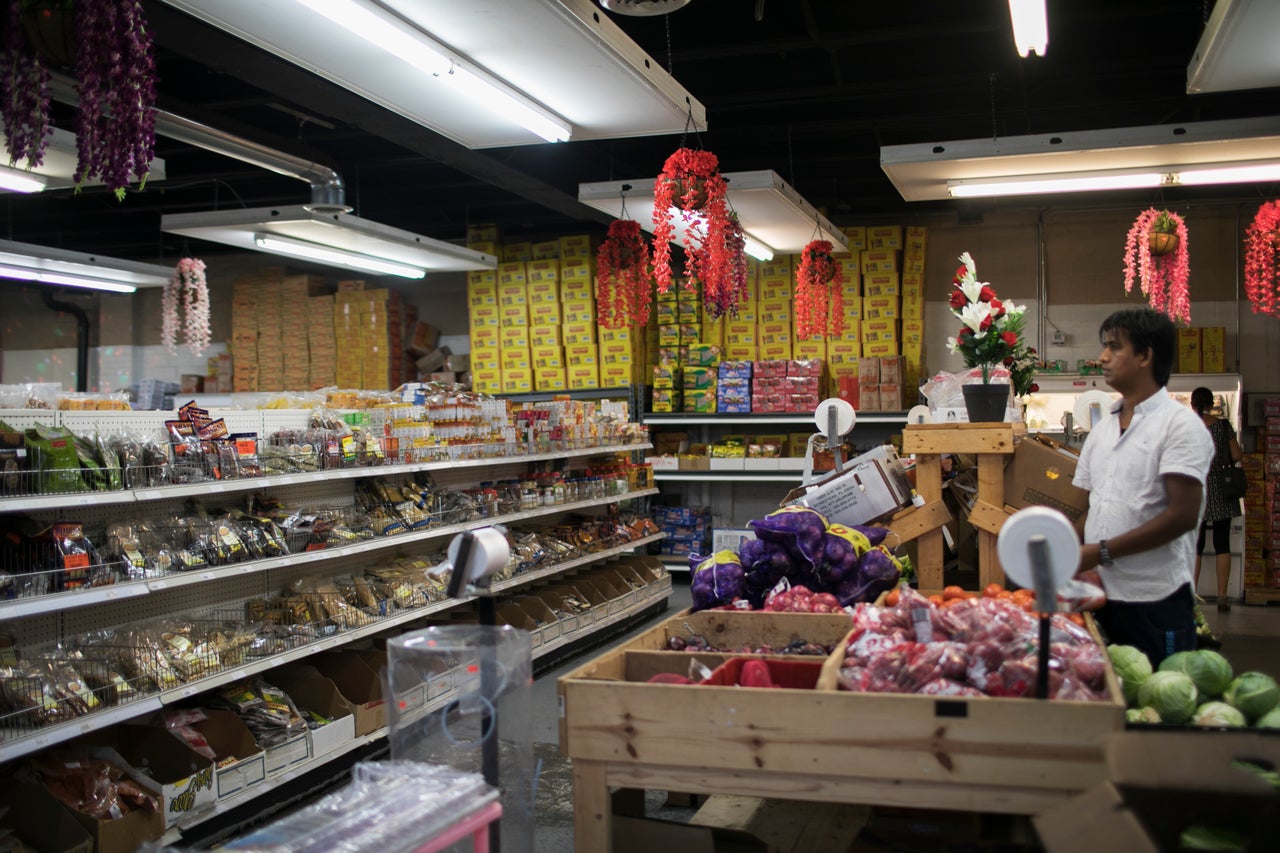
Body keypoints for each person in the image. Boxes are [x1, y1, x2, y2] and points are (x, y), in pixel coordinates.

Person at [1073, 308, 1212, 666]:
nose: (1102, 357)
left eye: (1114, 347)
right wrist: (1064, 552)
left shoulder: (1180, 426)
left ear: (1145, 356)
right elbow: (1088, 506)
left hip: (1155, 600)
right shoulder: (1102, 430)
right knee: (1108, 705)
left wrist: (1100, 551)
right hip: (1100, 596)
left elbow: (1181, 516)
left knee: (1156, 711)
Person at [1191, 386, 1243, 611]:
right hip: (1222, 489)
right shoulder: (1223, 426)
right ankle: (1222, 596)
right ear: (1211, 404)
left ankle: (1192, 595)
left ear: (1192, 405)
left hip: (1195, 491)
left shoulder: (1187, 427)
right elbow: (1237, 455)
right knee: (1223, 544)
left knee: (1196, 546)